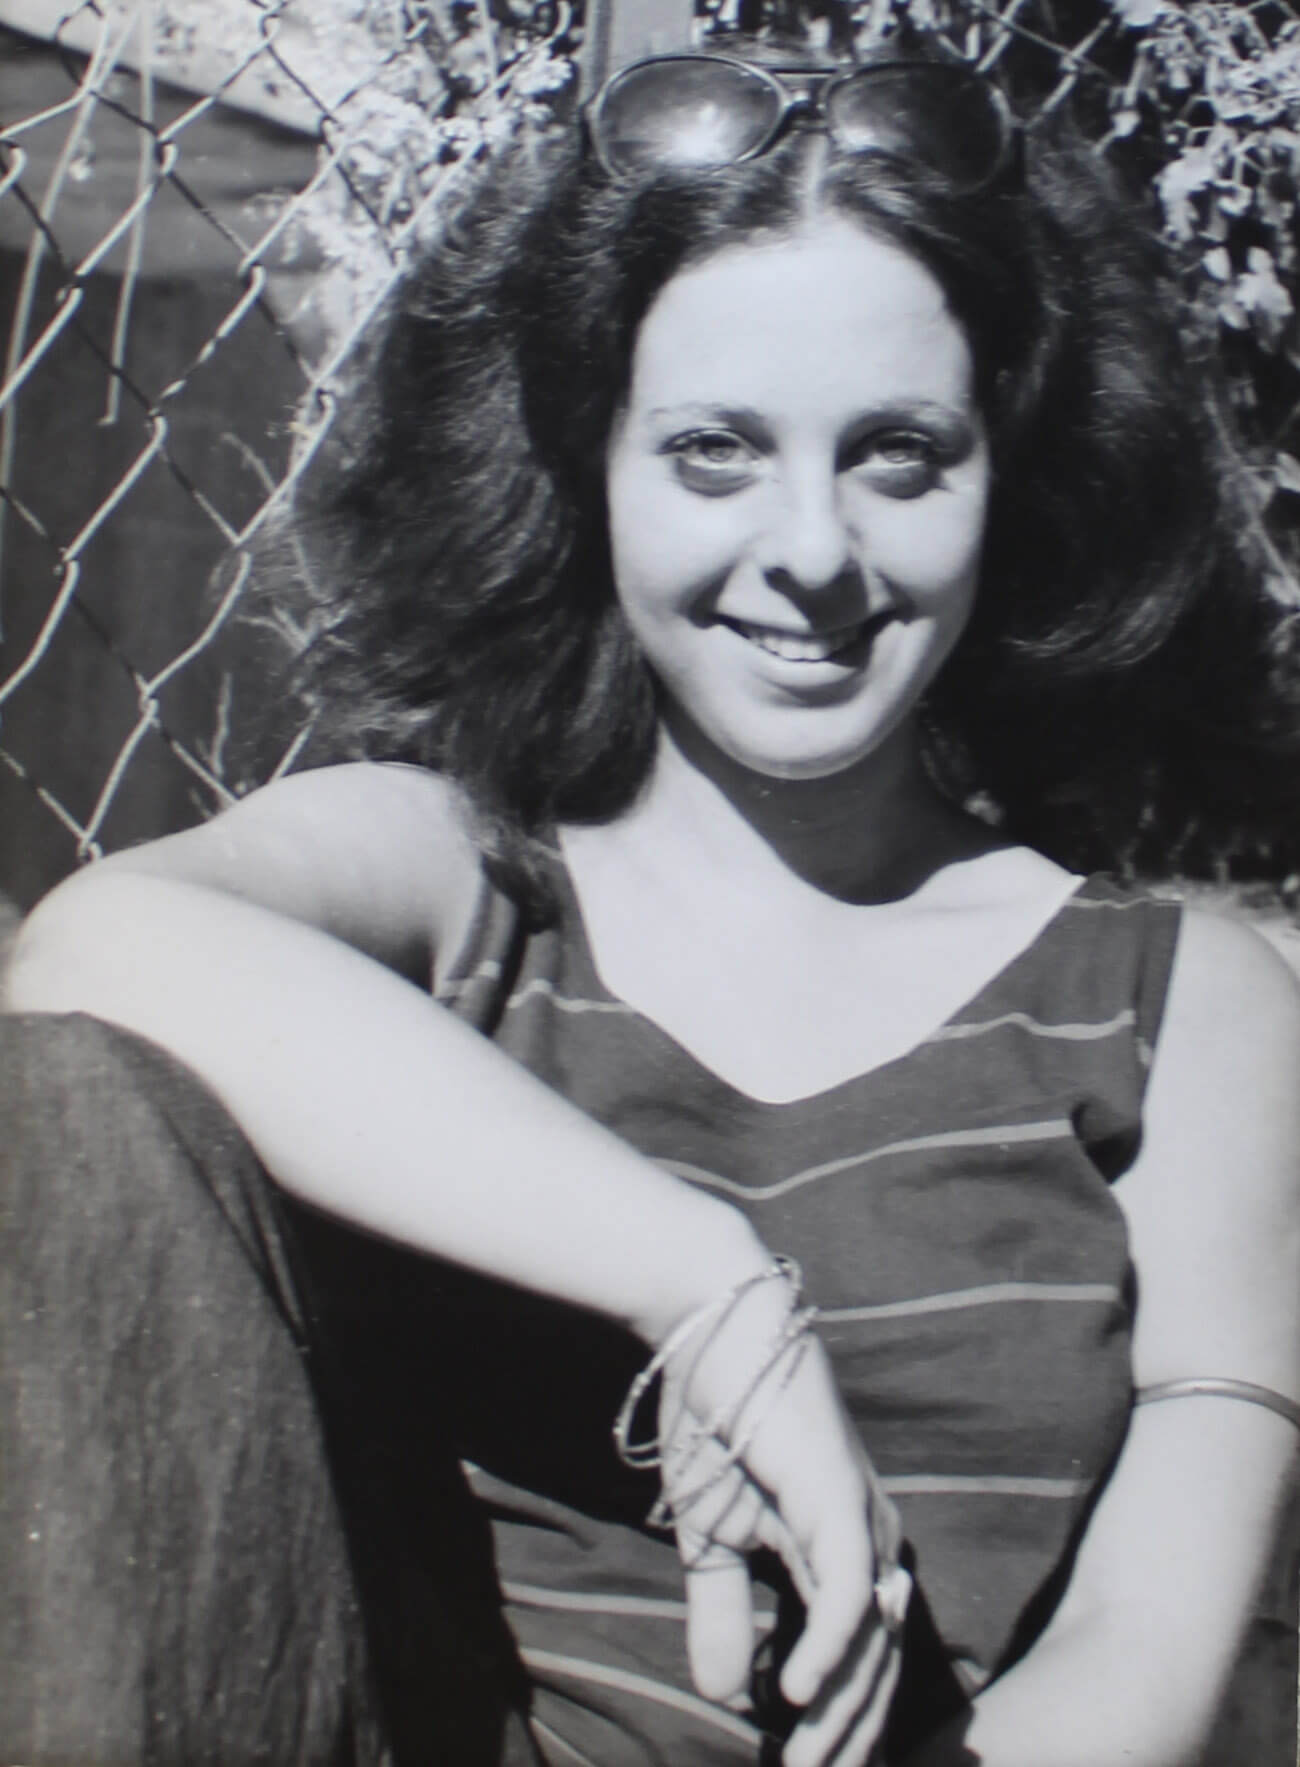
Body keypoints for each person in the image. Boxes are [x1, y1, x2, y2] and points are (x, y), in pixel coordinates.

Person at [4, 34, 1300, 1767]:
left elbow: (1147, 1652)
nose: (814, 550)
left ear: (1020, 475)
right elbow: (91, 955)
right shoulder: (464, 879)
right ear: (586, 465)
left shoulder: (1184, 1004)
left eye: (902, 453)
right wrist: (700, 1281)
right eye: (713, 451)